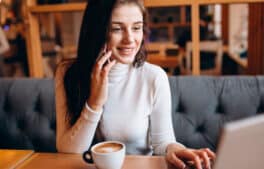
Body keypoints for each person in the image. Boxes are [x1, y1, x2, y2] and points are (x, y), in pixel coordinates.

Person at [55, 0, 216, 169]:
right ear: (96, 30)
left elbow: (163, 143)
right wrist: (94, 103)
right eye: (117, 28)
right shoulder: (67, 73)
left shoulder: (154, 77)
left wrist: (176, 150)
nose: (130, 39)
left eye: (137, 27)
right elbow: (67, 152)